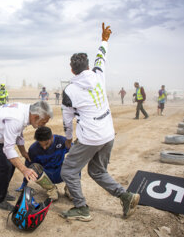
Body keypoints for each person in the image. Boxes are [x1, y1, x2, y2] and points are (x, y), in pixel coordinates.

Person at [59, 23, 140, 222]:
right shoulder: (98, 74)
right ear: (87, 67)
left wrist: (69, 140)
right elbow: (101, 56)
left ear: (72, 69)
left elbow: (67, 121)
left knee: (68, 170)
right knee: (97, 171)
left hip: (90, 137)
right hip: (108, 134)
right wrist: (104, 39)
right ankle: (126, 196)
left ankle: (81, 208)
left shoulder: (69, 91)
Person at [0, 101, 53, 211]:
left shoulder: (25, 111)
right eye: (43, 122)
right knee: (5, 166)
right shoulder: (17, 119)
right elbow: (8, 149)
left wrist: (23, 152)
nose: (43, 125)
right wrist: (24, 169)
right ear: (35, 117)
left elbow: (18, 133)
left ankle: (2, 191)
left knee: (11, 165)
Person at [15, 126, 73, 201]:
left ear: (51, 137)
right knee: (33, 167)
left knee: (75, 162)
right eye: (41, 144)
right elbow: (28, 168)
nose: (44, 148)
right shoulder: (33, 149)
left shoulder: (62, 140)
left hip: (61, 173)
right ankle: (52, 190)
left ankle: (71, 189)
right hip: (46, 176)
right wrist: (24, 183)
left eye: (46, 144)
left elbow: (75, 152)